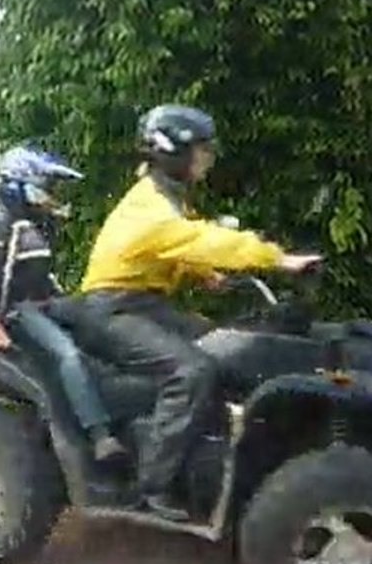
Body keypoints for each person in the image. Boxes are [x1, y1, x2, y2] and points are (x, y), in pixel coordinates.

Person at [79, 104, 322, 521]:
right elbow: (201, 238)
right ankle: (150, 486)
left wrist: (205, 274)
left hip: (142, 302)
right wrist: (279, 259)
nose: (206, 160)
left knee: (220, 346)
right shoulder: (150, 207)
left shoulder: (165, 197)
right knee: (191, 371)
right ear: (171, 152)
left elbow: (176, 247)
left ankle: (206, 452)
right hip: (111, 308)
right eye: (200, 151)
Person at [0, 145, 127, 462]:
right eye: (46, 187)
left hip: (47, 302)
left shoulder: (34, 227)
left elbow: (43, 276)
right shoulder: (4, 224)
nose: (50, 195)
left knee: (106, 321)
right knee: (70, 355)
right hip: (20, 309)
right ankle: (100, 435)